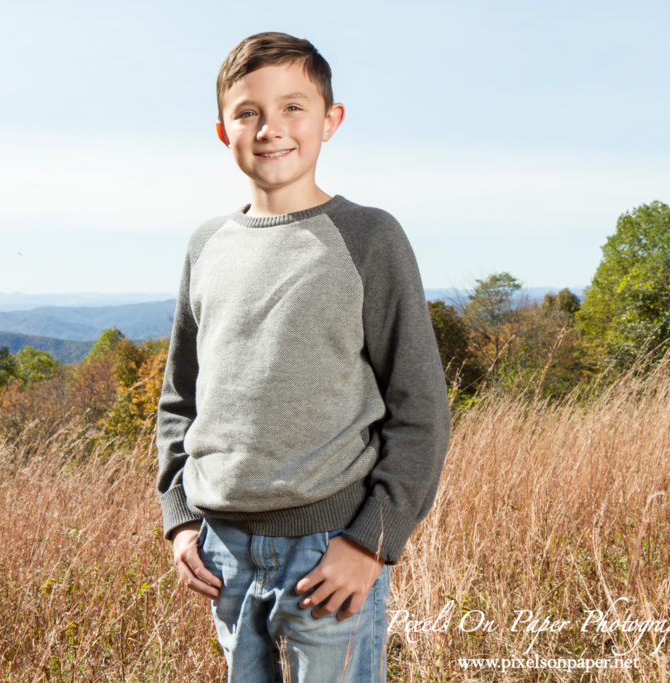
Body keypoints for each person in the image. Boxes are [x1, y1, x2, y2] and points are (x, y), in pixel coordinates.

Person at [155, 31, 451, 683]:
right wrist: (179, 520)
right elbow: (179, 400)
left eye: (293, 107)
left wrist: (371, 540)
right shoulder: (206, 246)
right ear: (222, 129)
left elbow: (421, 409)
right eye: (248, 111)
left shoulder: (370, 237)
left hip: (330, 547)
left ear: (330, 120)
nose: (271, 128)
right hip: (222, 548)